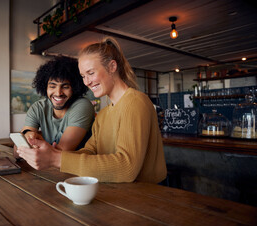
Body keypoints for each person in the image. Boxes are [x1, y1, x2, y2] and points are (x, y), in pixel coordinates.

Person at [17, 37, 167, 183]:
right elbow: (90, 151)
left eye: (91, 73)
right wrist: (53, 155)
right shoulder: (103, 114)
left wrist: (56, 159)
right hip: (115, 191)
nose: (87, 82)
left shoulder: (135, 101)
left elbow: (126, 167)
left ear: (112, 67)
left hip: (146, 196)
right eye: (83, 76)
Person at [13, 55, 95, 158]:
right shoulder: (38, 108)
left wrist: (36, 147)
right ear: (45, 87)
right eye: (52, 86)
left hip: (80, 168)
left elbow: (62, 152)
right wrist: (29, 136)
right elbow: (16, 154)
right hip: (51, 170)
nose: (58, 93)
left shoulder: (82, 106)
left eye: (65, 87)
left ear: (75, 88)